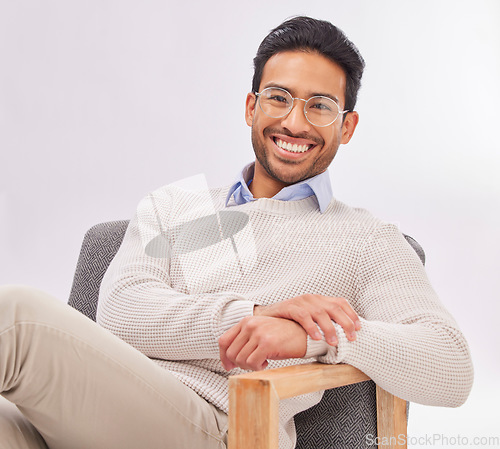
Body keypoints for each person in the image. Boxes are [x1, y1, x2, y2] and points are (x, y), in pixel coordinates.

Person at [0, 16, 473, 449]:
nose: (294, 122)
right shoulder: (179, 209)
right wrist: (257, 316)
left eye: (320, 106)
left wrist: (316, 336)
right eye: (279, 98)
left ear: (346, 126)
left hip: (216, 426)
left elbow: (450, 366)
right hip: (86, 414)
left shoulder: (365, 240)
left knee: (15, 318)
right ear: (251, 107)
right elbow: (123, 313)